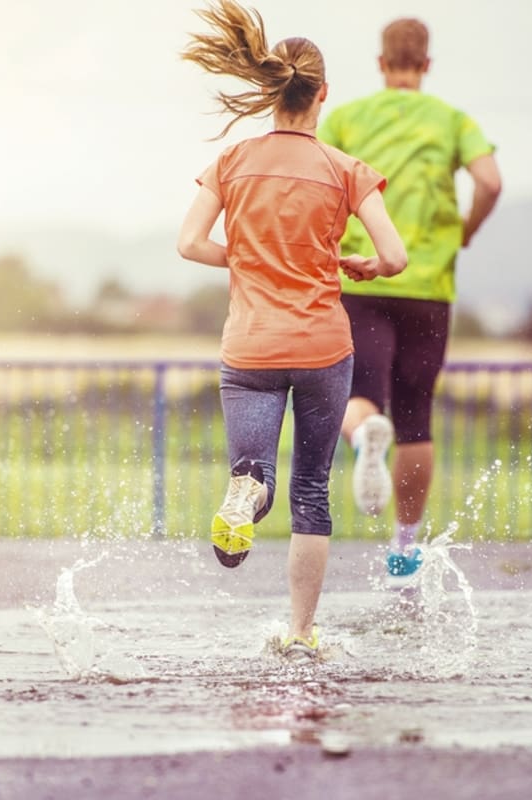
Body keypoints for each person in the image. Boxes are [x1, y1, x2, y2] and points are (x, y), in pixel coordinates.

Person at [177, 0, 407, 659]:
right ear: (323, 95)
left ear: (271, 90)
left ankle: (244, 493)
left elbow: (189, 242)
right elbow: (394, 257)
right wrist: (361, 263)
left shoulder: (233, 160)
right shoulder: (344, 169)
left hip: (248, 347)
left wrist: (245, 257)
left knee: (255, 473)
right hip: (322, 346)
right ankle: (301, 634)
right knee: (311, 490)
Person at [318, 17, 502, 577]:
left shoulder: (347, 118)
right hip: (428, 284)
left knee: (360, 397)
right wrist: (465, 229)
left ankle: (363, 441)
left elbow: (321, 183)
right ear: (426, 65)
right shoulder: (450, 120)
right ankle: (403, 549)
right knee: (417, 417)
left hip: (360, 277)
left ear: (380, 63)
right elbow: (490, 181)